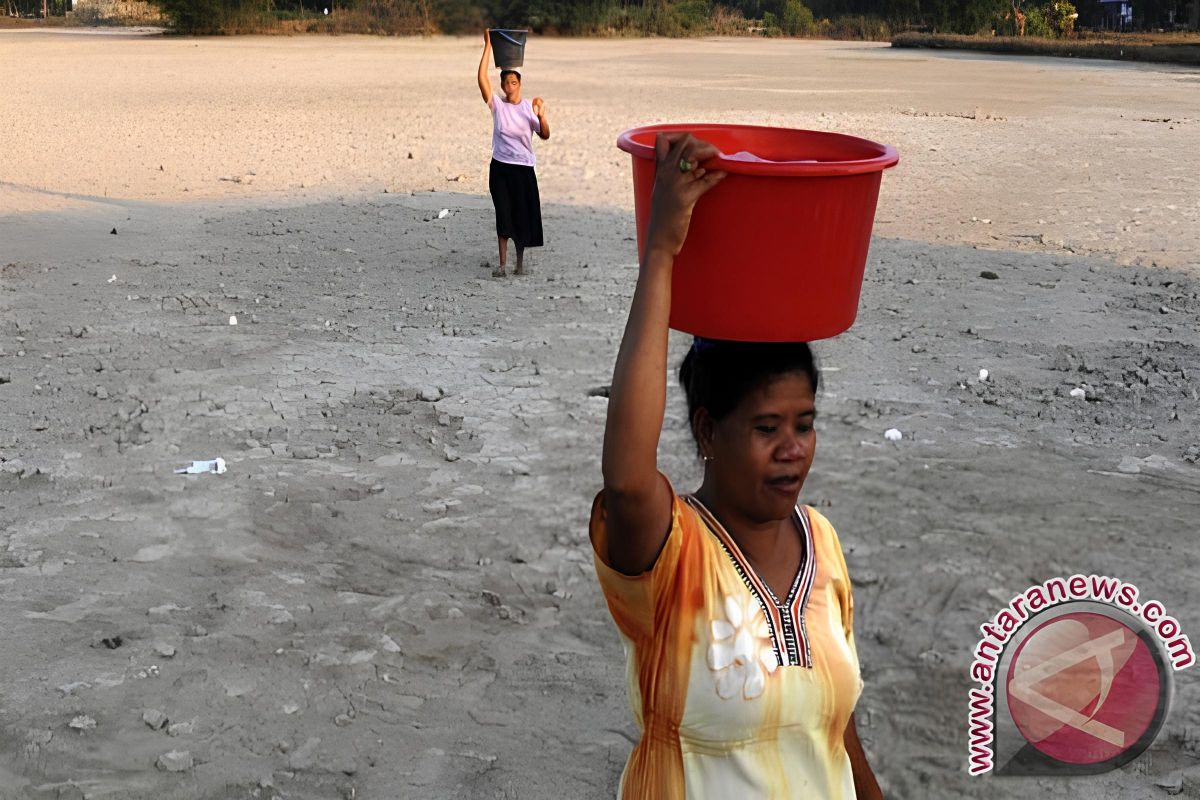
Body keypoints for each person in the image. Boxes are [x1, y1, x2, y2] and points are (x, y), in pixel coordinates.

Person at [591, 132, 882, 799]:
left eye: (804, 424)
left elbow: (833, 719)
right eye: (766, 428)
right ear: (707, 432)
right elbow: (628, 479)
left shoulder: (823, 544)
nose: (793, 448)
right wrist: (661, 252)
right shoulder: (674, 553)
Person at [477, 29, 549, 278]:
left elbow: (545, 134)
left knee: (521, 215)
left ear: (519, 84)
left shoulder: (530, 107)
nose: (509, 87)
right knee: (503, 214)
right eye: (506, 83)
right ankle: (502, 265)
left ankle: (519, 263)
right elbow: (481, 80)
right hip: (500, 168)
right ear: (502, 85)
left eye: (514, 83)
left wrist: (541, 115)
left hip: (523, 169)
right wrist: (488, 45)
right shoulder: (497, 105)